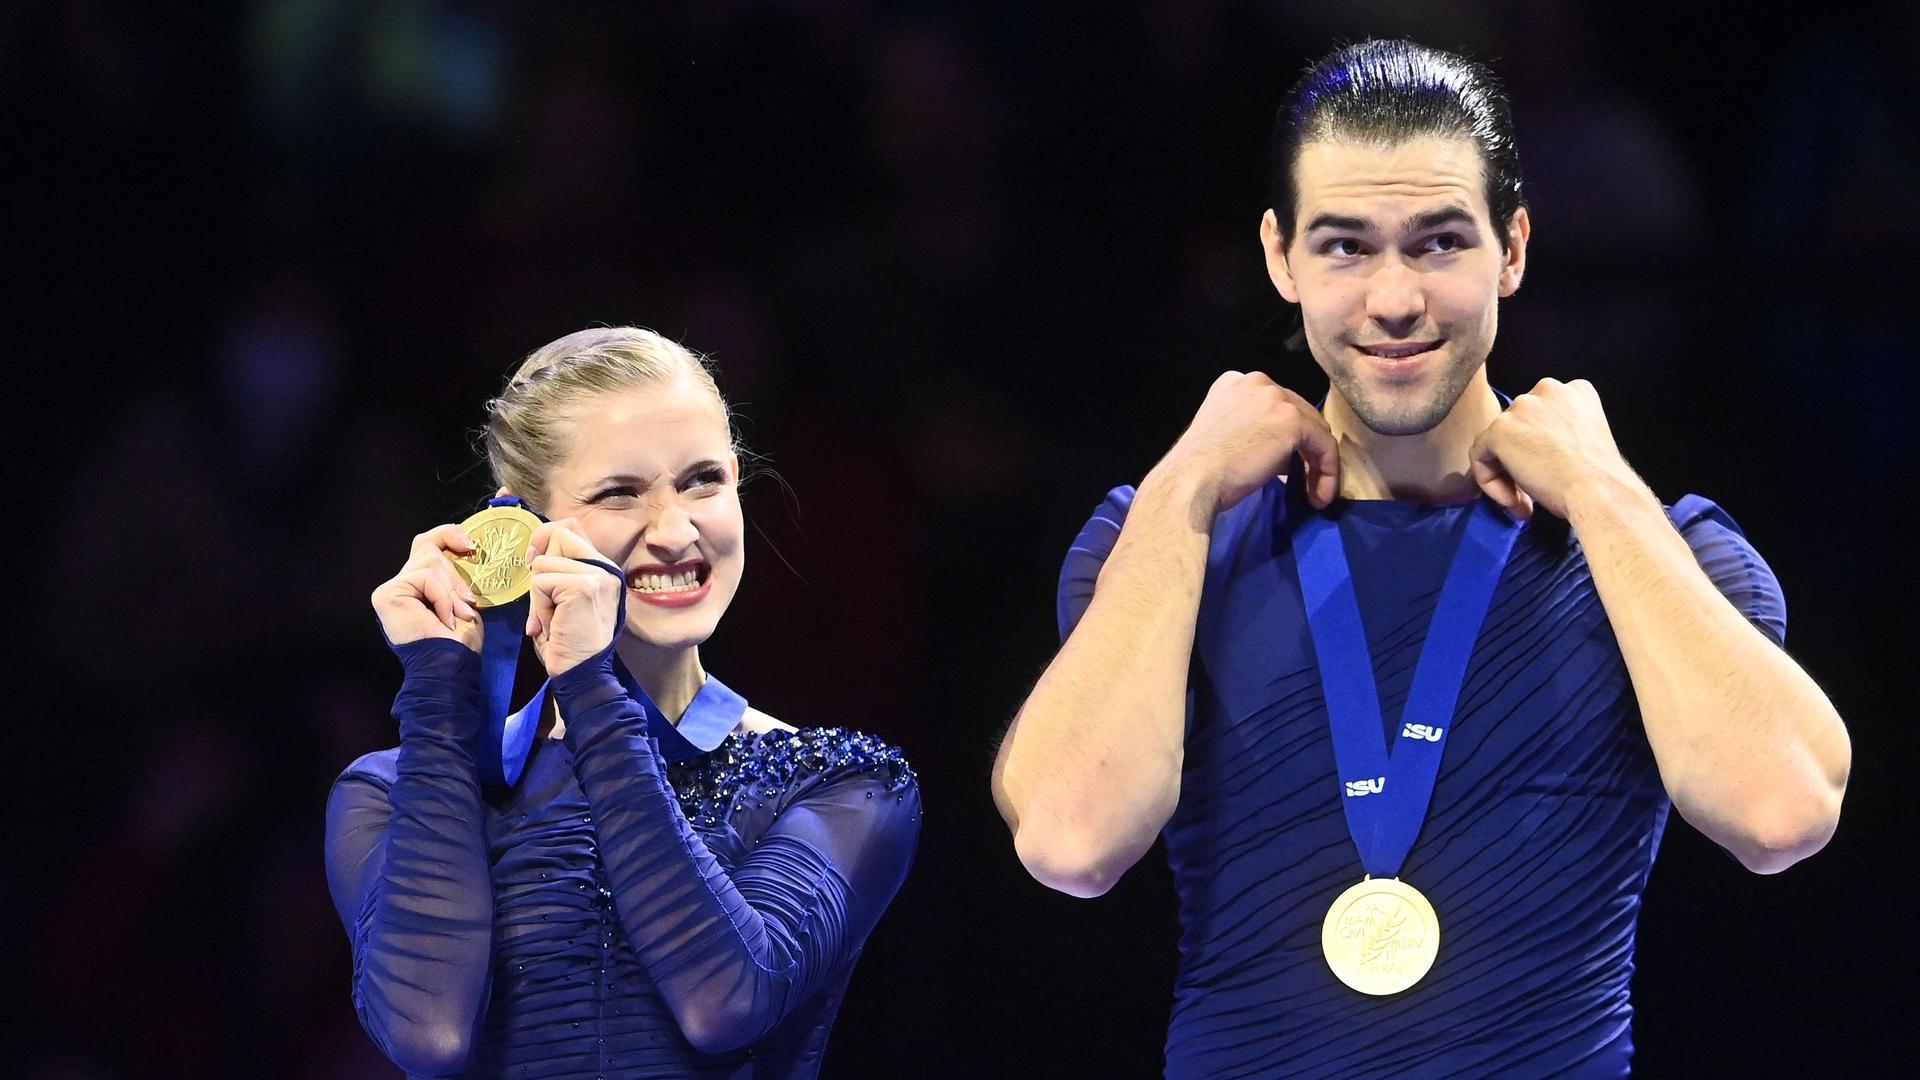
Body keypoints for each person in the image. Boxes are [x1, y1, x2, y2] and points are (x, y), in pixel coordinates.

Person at [990, 39, 1849, 1078]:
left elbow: (1784, 814)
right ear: (1279, 258)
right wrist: (1181, 484)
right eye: (1346, 247)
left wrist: (1607, 492)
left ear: (1514, 248)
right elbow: (1071, 842)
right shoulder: (1169, 538)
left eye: (1439, 242)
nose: (1394, 300)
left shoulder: (1664, 548)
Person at [326, 327, 921, 1078]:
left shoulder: (844, 783)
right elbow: (430, 1034)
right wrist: (439, 699)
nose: (675, 531)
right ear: (518, 528)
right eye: (620, 492)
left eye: (704, 480)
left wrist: (589, 686)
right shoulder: (392, 790)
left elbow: (724, 1003)